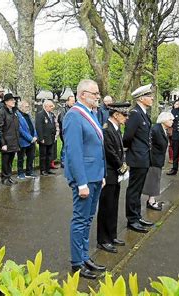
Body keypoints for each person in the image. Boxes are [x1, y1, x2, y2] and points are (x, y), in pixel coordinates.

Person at [64, 79, 106, 280]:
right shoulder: (74, 116)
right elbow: (74, 152)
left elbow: (98, 147)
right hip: (85, 179)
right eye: (94, 93)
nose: (98, 96)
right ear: (82, 95)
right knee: (80, 220)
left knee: (88, 219)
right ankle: (77, 263)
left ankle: (84, 256)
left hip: (95, 176)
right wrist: (81, 182)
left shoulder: (91, 114)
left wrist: (102, 174)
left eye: (98, 93)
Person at [96, 103, 130, 254]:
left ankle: (112, 235)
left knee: (114, 205)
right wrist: (122, 167)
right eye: (124, 115)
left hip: (115, 173)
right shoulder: (107, 129)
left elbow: (119, 150)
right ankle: (103, 240)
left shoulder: (116, 129)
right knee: (106, 207)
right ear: (116, 115)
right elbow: (110, 152)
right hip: (109, 172)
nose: (126, 118)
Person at [123, 84, 154, 233]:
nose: (152, 98)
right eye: (149, 96)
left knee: (139, 188)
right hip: (137, 157)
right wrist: (133, 151)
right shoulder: (135, 113)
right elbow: (127, 136)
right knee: (134, 190)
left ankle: (137, 215)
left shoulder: (144, 114)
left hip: (143, 157)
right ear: (142, 98)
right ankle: (132, 219)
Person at [143, 112, 174, 211]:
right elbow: (150, 145)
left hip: (158, 159)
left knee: (155, 179)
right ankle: (151, 201)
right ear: (164, 120)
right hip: (154, 160)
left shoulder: (163, 129)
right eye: (170, 120)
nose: (172, 121)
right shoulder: (156, 129)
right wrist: (151, 160)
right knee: (153, 180)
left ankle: (152, 200)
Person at [0, 93, 20, 186]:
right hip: (6, 142)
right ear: (6, 102)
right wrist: (3, 143)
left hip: (14, 141)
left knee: (10, 160)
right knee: (5, 161)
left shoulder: (13, 112)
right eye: (11, 100)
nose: (14, 101)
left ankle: (9, 177)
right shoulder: (1, 113)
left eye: (14, 100)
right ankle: (4, 178)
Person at [16, 100, 37, 179]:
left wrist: (35, 136)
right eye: (26, 106)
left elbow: (33, 126)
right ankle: (20, 173)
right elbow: (20, 129)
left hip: (32, 140)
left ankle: (29, 172)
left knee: (31, 157)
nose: (28, 108)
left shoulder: (29, 115)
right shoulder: (18, 115)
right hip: (23, 140)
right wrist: (30, 138)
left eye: (28, 106)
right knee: (21, 158)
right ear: (21, 107)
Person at [36, 100, 57, 176]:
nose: (52, 108)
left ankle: (48, 169)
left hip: (50, 137)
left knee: (49, 154)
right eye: (51, 106)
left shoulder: (51, 114)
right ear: (46, 106)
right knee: (43, 155)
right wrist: (41, 138)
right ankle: (43, 170)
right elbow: (39, 127)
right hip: (44, 138)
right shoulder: (40, 114)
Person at [58, 95, 75, 168]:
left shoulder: (74, 109)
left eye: (74, 101)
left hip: (73, 131)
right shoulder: (63, 110)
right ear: (67, 101)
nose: (73, 103)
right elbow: (62, 120)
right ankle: (63, 161)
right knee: (65, 146)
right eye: (72, 101)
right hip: (65, 132)